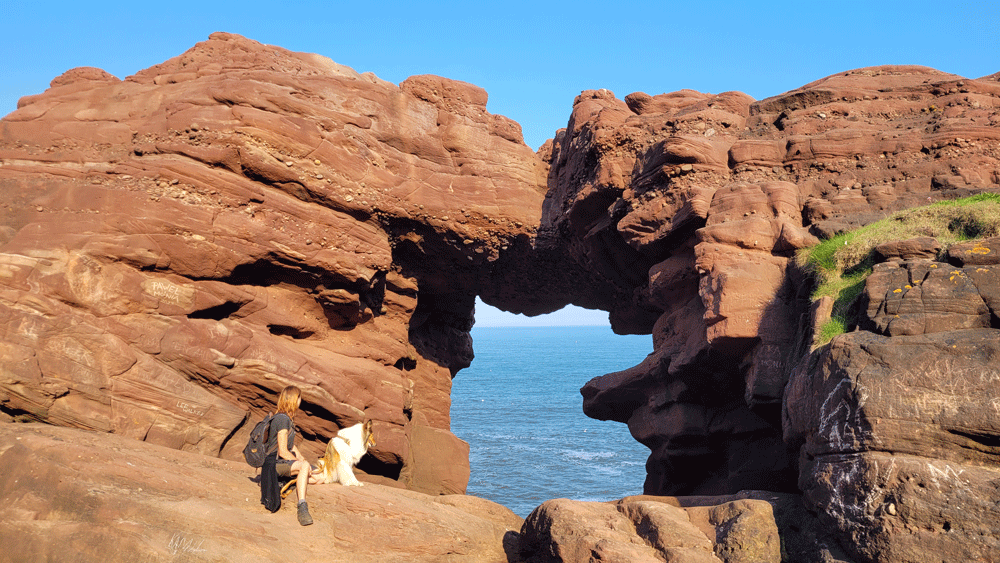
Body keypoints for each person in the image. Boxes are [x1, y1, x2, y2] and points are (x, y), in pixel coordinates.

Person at [266, 385, 315, 526]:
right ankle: (302, 506)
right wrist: (302, 465)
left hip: (283, 464)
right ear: (294, 399)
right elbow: (282, 451)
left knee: (318, 477)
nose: (301, 401)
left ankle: (290, 482)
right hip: (274, 465)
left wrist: (303, 460)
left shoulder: (288, 419)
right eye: (299, 397)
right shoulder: (282, 419)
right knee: (305, 468)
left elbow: (291, 446)